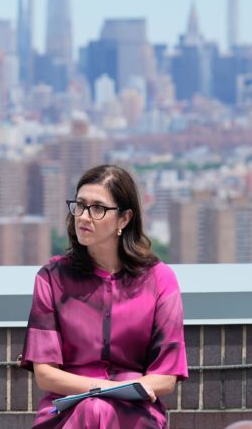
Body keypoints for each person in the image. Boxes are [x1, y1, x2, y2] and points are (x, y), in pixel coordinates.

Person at [20, 164, 188, 428]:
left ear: (124, 219)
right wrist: (105, 391)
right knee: (94, 409)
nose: (84, 217)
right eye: (80, 205)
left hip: (135, 413)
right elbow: (45, 374)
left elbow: (166, 377)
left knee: (98, 409)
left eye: (97, 208)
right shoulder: (51, 278)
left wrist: (115, 395)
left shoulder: (160, 279)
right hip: (67, 412)